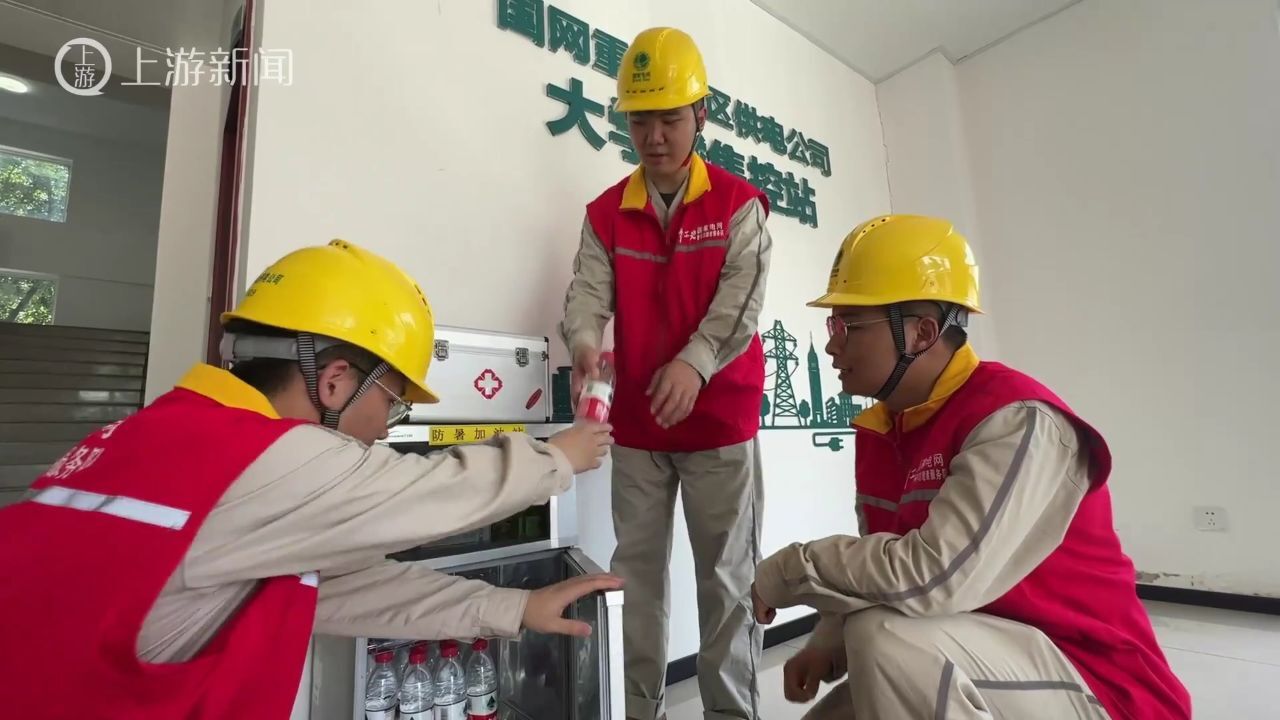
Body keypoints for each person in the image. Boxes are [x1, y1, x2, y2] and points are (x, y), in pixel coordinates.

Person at [0, 239, 620, 718]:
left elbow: (334, 590)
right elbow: (424, 493)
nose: (384, 429)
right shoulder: (255, 461)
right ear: (335, 381)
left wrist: (511, 606)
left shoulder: (151, 438)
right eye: (394, 402)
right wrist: (557, 456)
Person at [748, 215, 1191, 719]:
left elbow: (931, 579)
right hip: (985, 659)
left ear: (920, 332)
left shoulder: (1016, 422)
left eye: (847, 327)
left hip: (1101, 686)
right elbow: (882, 571)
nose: (831, 345)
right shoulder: (885, 430)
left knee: (885, 638)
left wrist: (787, 570)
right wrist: (828, 639)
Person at [560, 26, 773, 720]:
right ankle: (639, 707)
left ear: (700, 116)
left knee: (727, 584)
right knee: (638, 579)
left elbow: (740, 302)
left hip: (719, 426)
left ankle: (731, 714)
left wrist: (696, 362)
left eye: (670, 118)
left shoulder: (739, 206)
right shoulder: (606, 213)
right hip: (641, 432)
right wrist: (584, 344)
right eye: (640, 120)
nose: (654, 136)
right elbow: (588, 293)